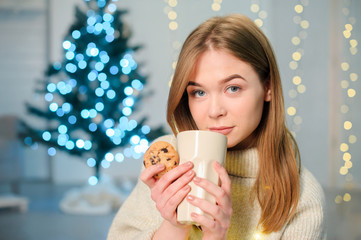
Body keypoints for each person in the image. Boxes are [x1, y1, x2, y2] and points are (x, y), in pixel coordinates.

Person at [107, 14, 326, 240]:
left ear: (268, 87)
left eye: (232, 88)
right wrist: (174, 227)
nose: (214, 111)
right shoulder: (166, 164)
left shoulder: (301, 197)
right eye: (199, 92)